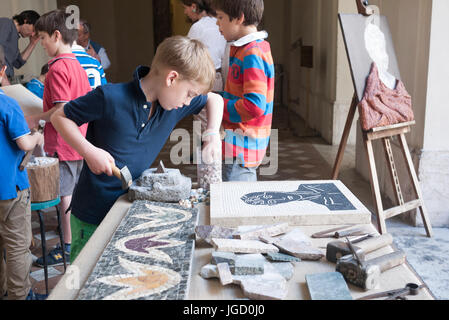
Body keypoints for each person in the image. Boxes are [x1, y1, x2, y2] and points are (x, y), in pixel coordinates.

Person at [50, 35, 223, 262]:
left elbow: (214, 100)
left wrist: (211, 134)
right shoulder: (109, 97)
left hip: (132, 210)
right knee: (84, 277)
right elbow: (59, 117)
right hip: (93, 215)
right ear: (172, 78)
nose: (189, 102)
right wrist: (89, 151)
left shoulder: (172, 106)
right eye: (190, 94)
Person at [25, 9, 92, 268]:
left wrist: (36, 118)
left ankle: (66, 247)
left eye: (42, 38)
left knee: (64, 197)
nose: (40, 44)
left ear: (56, 35)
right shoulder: (77, 64)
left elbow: (62, 108)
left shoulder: (57, 69)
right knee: (73, 194)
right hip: (78, 139)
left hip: (63, 142)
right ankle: (75, 241)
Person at [0, 45, 45, 300]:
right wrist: (37, 137)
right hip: (10, 188)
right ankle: (20, 296)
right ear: (3, 70)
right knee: (17, 246)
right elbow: (24, 144)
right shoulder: (7, 103)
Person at [214, 0, 275, 182]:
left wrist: (218, 106)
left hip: (240, 150)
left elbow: (254, 105)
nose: (217, 23)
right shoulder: (250, 48)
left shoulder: (252, 52)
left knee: (235, 205)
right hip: (239, 148)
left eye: (220, 17)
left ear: (239, 18)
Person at [0, 10, 41, 86]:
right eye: (34, 30)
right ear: (26, 20)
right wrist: (3, 78)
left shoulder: (15, 37)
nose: (33, 34)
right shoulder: (6, 23)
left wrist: (32, 43)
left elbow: (17, 63)